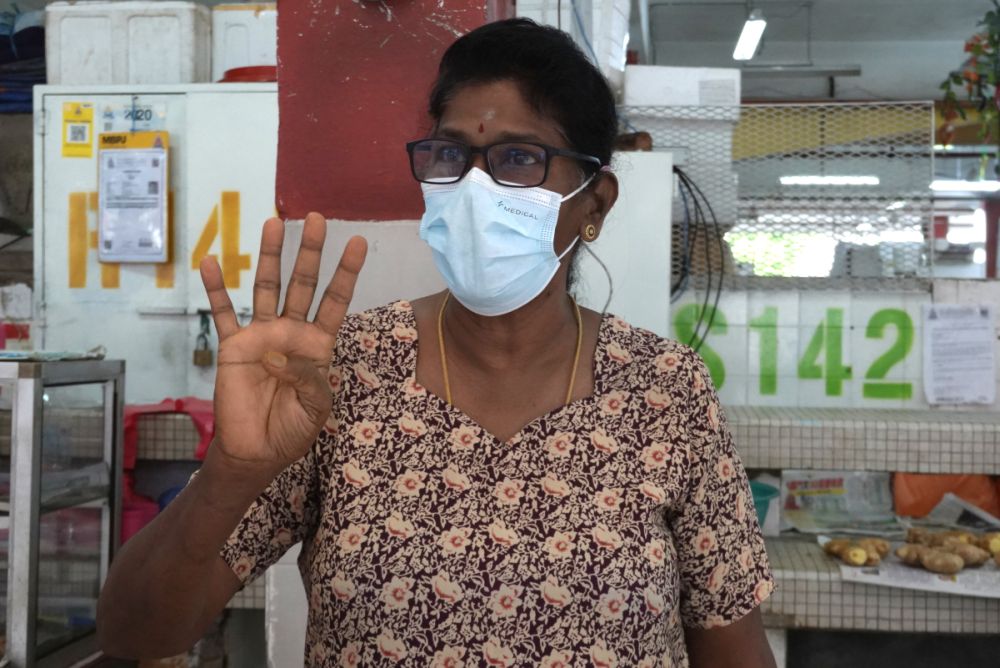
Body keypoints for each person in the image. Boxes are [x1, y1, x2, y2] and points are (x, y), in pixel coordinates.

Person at [97, 18, 775, 667]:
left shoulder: (666, 390)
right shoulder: (337, 377)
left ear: (595, 204)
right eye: (452, 155)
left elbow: (733, 649)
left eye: (517, 159)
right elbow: (135, 629)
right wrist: (231, 473)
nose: (475, 188)